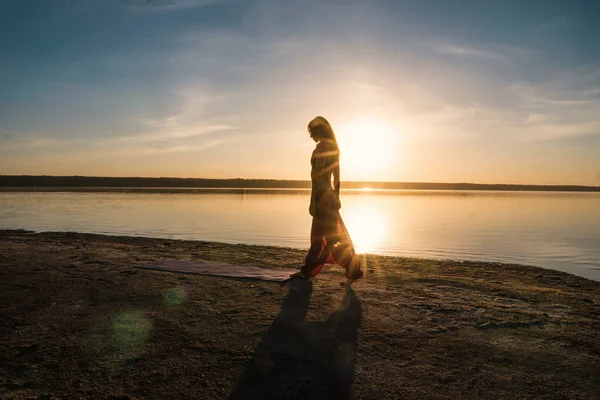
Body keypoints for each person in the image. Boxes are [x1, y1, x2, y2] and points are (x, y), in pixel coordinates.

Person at [292, 116, 364, 286]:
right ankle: (353, 271)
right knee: (334, 238)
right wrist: (336, 197)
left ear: (320, 131)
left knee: (319, 239)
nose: (311, 136)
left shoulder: (321, 148)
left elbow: (318, 178)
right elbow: (337, 178)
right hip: (330, 196)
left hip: (321, 197)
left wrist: (313, 202)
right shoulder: (334, 149)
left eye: (312, 132)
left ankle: (307, 271)